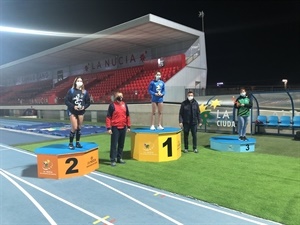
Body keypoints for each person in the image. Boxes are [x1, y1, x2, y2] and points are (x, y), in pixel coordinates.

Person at [65, 76, 91, 150]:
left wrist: (84, 107)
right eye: (78, 80)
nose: (79, 82)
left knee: (79, 128)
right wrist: (73, 106)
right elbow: (66, 101)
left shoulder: (85, 92)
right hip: (72, 111)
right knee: (75, 127)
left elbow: (88, 102)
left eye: (81, 80)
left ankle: (77, 142)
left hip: (81, 111)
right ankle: (70, 143)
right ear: (75, 82)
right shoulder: (71, 91)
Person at [106, 92, 131, 167]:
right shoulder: (112, 105)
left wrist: (129, 126)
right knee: (114, 145)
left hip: (123, 127)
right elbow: (108, 117)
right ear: (115, 97)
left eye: (121, 95)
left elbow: (127, 116)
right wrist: (109, 128)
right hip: (115, 128)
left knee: (121, 144)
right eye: (118, 96)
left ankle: (119, 158)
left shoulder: (125, 105)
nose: (120, 97)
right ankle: (112, 159)